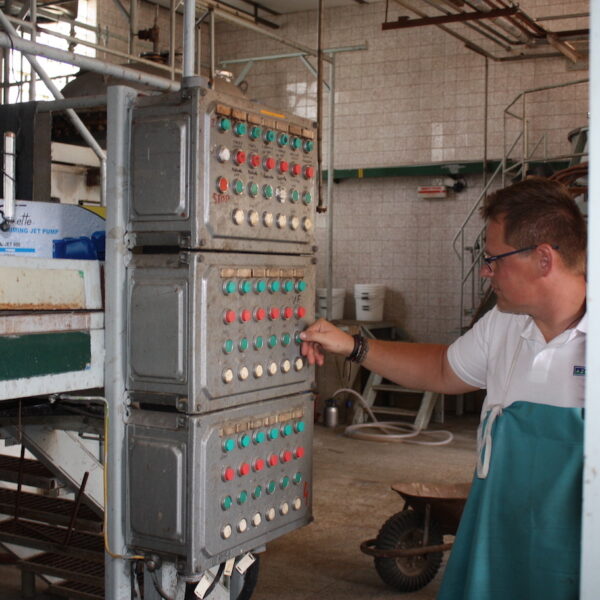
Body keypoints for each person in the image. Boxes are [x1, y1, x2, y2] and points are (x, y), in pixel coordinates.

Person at [300, 177, 587, 600]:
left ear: (544, 259)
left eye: (493, 259)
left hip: (576, 556)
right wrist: (351, 346)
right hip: (501, 537)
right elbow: (441, 368)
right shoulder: (504, 323)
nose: (486, 271)